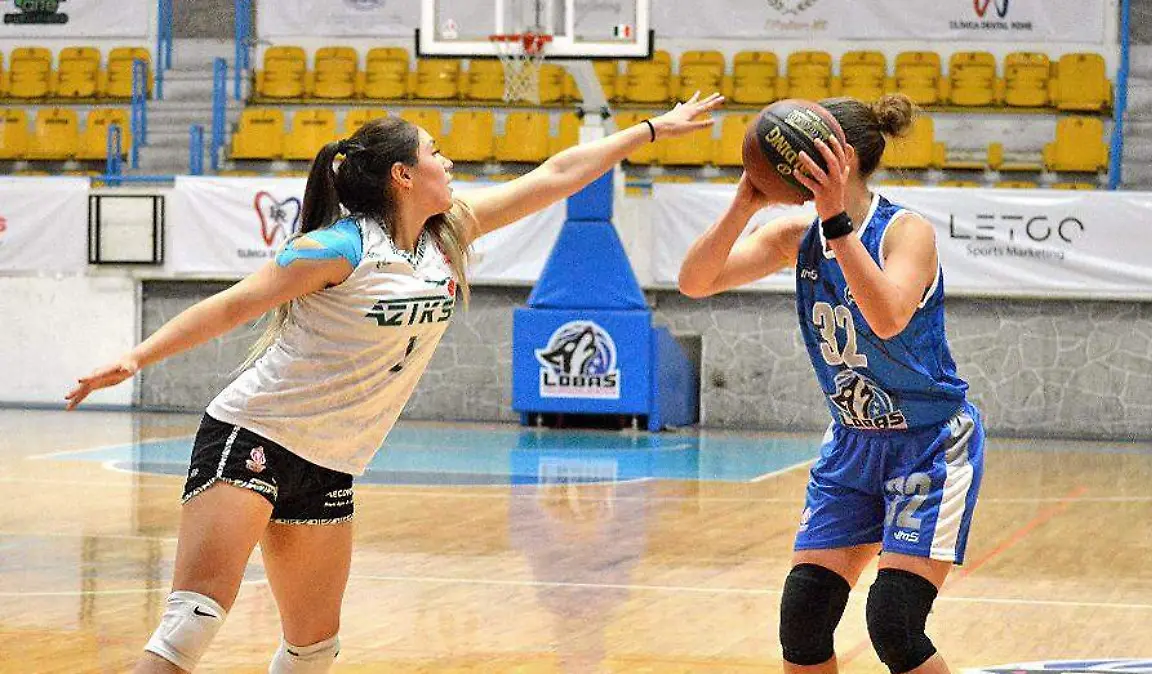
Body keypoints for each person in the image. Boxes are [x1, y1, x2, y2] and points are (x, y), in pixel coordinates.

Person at [65, 92, 724, 673]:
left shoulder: (447, 236)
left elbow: (556, 174)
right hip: (254, 432)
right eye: (437, 153)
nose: (451, 162)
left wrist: (652, 130)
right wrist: (137, 357)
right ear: (405, 175)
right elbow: (234, 305)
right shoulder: (338, 248)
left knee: (312, 652)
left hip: (330, 462)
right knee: (193, 623)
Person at [677, 93, 985, 674]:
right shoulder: (797, 234)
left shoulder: (905, 232)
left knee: (893, 622)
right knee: (804, 619)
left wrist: (837, 220)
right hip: (853, 442)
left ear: (838, 161)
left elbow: (888, 317)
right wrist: (746, 199)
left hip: (929, 444)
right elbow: (695, 280)